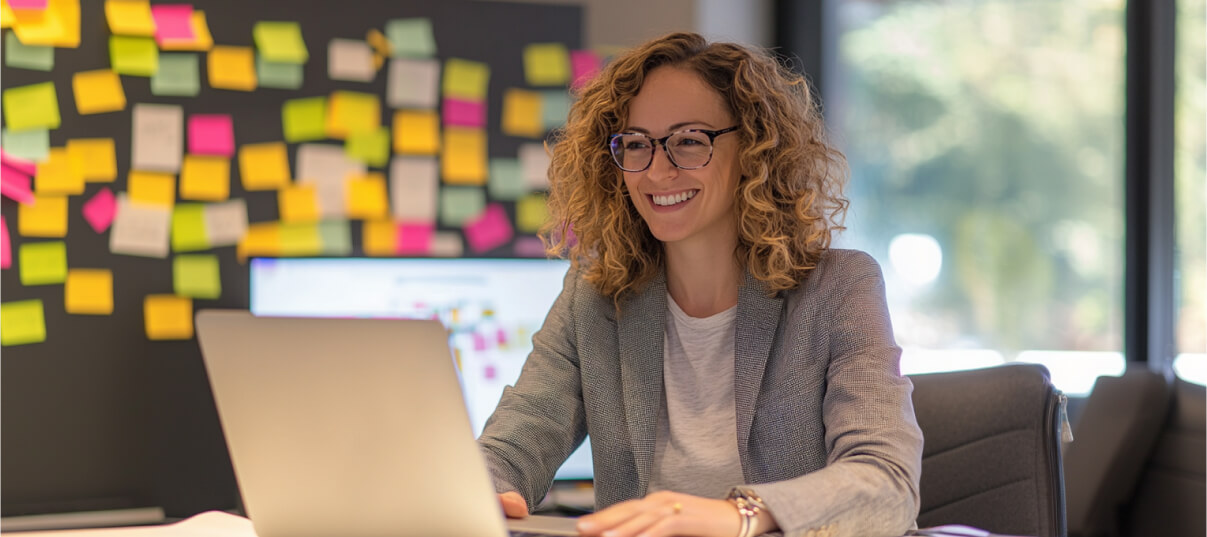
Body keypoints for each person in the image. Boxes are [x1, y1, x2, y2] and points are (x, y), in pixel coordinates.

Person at [477, 32, 923, 537]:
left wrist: (741, 515)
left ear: (755, 150)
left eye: (689, 141)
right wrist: (477, 493)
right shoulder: (596, 293)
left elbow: (887, 483)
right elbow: (515, 442)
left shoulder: (839, 288)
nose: (658, 171)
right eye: (638, 144)